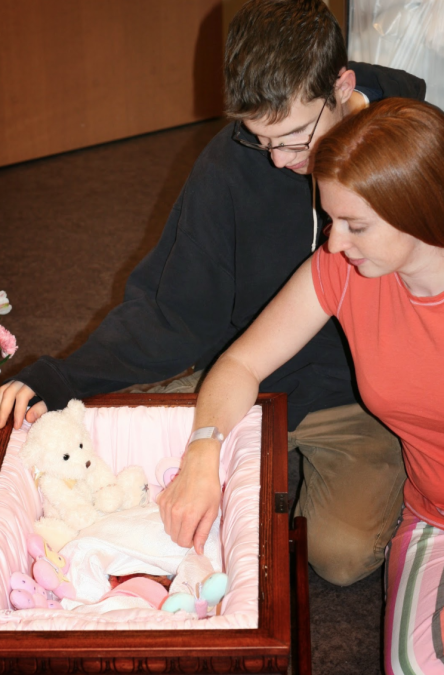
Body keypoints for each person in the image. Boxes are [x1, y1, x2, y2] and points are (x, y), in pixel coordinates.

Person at [0, 0, 425, 586]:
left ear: (342, 85)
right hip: (244, 370)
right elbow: (172, 310)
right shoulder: (233, 162)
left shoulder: (410, 149)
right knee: (105, 464)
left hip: (359, 394)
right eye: (260, 138)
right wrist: (63, 376)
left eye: (296, 136)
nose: (279, 161)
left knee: (341, 554)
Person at [158, 97, 444, 673]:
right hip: (434, 514)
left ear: (417, 209)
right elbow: (240, 365)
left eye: (355, 225)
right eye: (332, 219)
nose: (334, 242)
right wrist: (202, 449)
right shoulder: (343, 271)